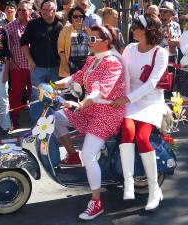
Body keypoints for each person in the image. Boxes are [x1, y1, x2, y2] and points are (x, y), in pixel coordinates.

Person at [54, 25, 125, 220]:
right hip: (90, 109)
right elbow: (78, 77)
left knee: (88, 154)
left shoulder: (112, 62)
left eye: (93, 39)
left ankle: (96, 202)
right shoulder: (93, 59)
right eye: (88, 38)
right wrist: (56, 85)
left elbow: (100, 91)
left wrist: (81, 103)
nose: (88, 42)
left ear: (106, 42)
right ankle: (71, 155)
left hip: (107, 113)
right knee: (56, 118)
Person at [111, 13, 168, 210]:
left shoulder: (160, 53)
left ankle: (154, 190)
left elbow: (153, 83)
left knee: (143, 138)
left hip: (151, 101)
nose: (133, 29)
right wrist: (123, 99)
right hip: (130, 100)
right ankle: (128, 182)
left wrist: (127, 99)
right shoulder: (129, 48)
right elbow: (124, 77)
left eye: (137, 27)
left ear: (149, 31)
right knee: (127, 131)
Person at [21, 0, 63, 124]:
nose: (44, 12)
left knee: (54, 96)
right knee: (36, 96)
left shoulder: (60, 26)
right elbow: (23, 43)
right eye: (42, 10)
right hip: (38, 68)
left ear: (54, 11)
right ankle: (37, 124)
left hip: (55, 69)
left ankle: (53, 122)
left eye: (47, 10)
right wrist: (30, 60)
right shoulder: (33, 24)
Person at [5, 0, 32, 130]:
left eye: (24, 10)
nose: (21, 12)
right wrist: (10, 61)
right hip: (18, 66)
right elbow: (4, 47)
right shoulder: (10, 27)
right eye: (19, 9)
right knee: (15, 95)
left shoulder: (35, 25)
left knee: (36, 94)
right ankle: (14, 120)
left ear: (30, 11)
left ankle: (38, 120)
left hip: (34, 67)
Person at [58, 6, 89, 78]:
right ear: (71, 18)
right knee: (70, 88)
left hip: (85, 66)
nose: (78, 18)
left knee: (82, 88)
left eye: (80, 16)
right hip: (71, 64)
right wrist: (65, 65)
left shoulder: (87, 31)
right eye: (75, 16)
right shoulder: (65, 30)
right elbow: (61, 49)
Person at [159, 1, 181, 99]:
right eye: (161, 11)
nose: (162, 13)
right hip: (160, 58)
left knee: (171, 83)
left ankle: (168, 105)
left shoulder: (176, 25)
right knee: (160, 84)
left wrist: (175, 42)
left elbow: (180, 40)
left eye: (166, 11)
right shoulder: (156, 25)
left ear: (171, 13)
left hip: (172, 58)